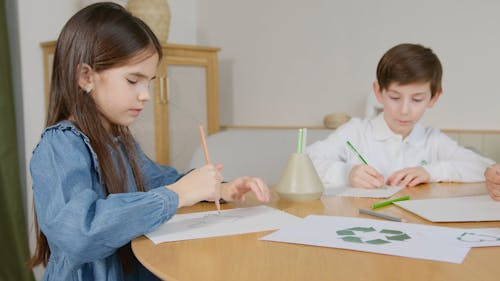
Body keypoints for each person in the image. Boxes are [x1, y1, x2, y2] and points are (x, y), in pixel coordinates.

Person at [28, 3, 270, 280]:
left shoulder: (118, 141)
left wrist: (220, 188)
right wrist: (179, 194)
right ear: (85, 77)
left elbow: (160, 181)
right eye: (133, 81)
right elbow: (80, 232)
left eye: (149, 82)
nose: (145, 95)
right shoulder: (59, 145)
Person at [307, 43, 494, 188]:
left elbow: (486, 169)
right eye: (395, 97)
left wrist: (431, 172)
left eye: (417, 99)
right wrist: (346, 173)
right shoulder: (355, 132)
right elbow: (306, 162)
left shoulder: (432, 140)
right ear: (379, 92)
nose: (404, 110)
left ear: (434, 97)